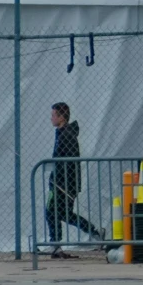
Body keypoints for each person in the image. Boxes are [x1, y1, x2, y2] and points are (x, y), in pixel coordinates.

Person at [43, 102, 102, 255]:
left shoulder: (67, 136)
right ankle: (94, 233)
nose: (51, 118)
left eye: (53, 115)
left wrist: (61, 182)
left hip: (63, 184)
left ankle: (56, 243)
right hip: (61, 183)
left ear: (61, 117)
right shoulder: (62, 134)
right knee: (62, 214)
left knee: (52, 211)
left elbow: (68, 162)